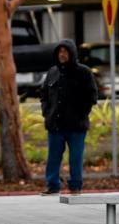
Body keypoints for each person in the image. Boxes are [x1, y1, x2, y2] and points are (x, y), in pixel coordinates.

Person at [40, 39, 98, 195]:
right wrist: (46, 112)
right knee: (53, 157)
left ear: (72, 53)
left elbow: (92, 96)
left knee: (75, 158)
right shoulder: (52, 72)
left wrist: (81, 113)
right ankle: (52, 185)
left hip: (76, 126)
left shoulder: (84, 72)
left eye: (65, 51)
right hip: (55, 125)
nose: (62, 54)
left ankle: (75, 186)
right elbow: (44, 94)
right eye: (60, 51)